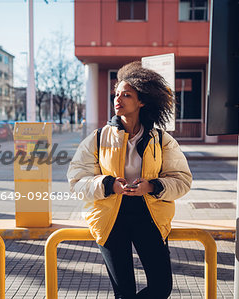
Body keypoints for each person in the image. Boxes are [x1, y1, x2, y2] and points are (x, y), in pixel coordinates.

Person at [67, 61, 192, 298]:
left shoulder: (161, 139)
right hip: (110, 218)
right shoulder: (97, 138)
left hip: (149, 215)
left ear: (141, 101)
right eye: (116, 94)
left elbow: (182, 180)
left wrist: (153, 186)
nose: (118, 99)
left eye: (126, 94)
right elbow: (76, 180)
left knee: (161, 288)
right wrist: (108, 184)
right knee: (123, 292)